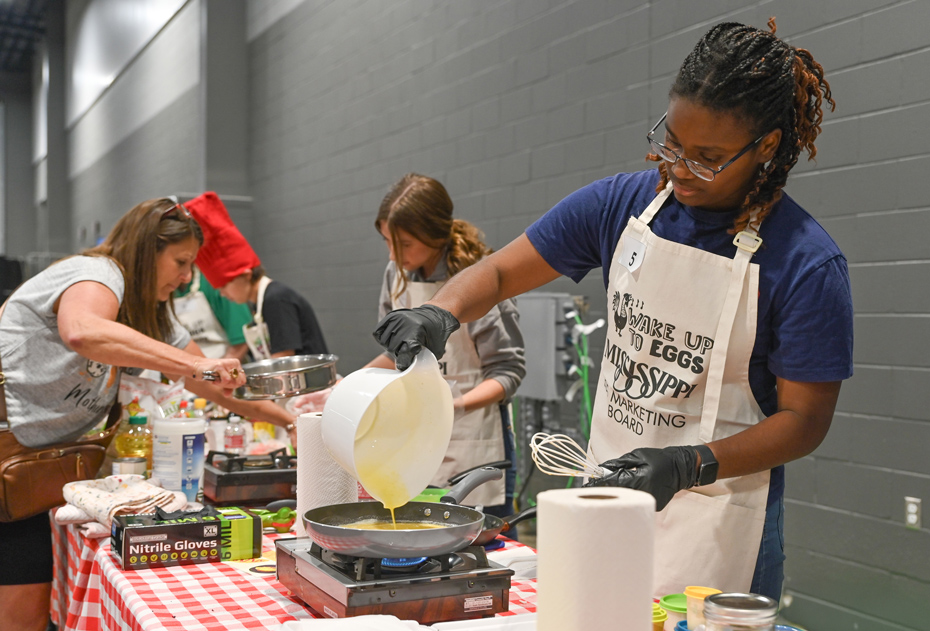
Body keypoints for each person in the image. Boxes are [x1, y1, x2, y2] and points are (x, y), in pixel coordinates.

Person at [373, 20, 853, 600]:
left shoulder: (806, 263)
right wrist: (442, 313)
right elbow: (500, 271)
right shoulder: (621, 206)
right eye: (672, 142)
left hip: (720, 510)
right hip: (606, 494)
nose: (678, 168)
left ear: (767, 147)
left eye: (708, 158)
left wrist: (688, 464)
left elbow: (805, 421)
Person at [0, 198, 291, 631]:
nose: (185, 277)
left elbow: (213, 386)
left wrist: (292, 420)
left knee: (27, 618)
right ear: (145, 249)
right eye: (179, 262)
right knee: (18, 621)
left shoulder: (151, 315)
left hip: (29, 475)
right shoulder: (98, 273)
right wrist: (197, 362)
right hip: (8, 456)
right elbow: (81, 330)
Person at [366, 174, 525, 515]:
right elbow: (394, 353)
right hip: (413, 441)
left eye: (405, 244)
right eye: (387, 241)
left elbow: (508, 372)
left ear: (434, 234)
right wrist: (351, 384)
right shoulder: (396, 276)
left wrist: (447, 407)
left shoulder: (480, 280)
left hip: (473, 443)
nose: (394, 254)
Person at [189, 192, 329, 360]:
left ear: (246, 274)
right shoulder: (261, 305)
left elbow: (283, 359)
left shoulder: (276, 299)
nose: (222, 293)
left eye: (224, 285)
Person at [173, 265, 253, 360]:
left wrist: (216, 372)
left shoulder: (213, 283)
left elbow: (241, 339)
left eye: (181, 262)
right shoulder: (163, 292)